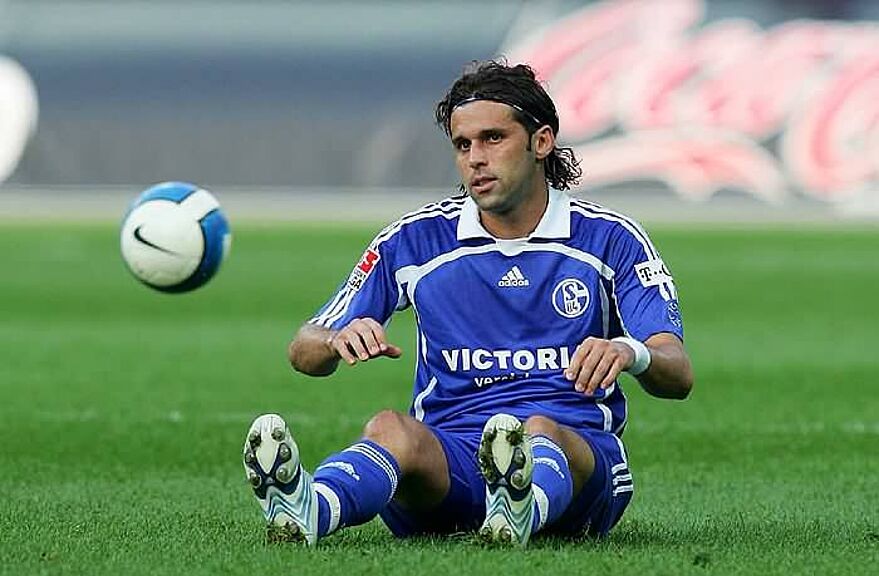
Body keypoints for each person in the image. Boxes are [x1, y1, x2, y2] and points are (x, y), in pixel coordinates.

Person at [242, 61, 693, 547]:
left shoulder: (610, 239)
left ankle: (523, 504)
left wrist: (630, 352)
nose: (476, 158)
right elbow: (303, 349)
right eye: (463, 144)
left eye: (493, 139)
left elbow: (677, 371)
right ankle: (311, 509)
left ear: (541, 141)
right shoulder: (414, 241)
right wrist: (335, 341)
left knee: (542, 430)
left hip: (578, 465)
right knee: (390, 428)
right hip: (455, 458)